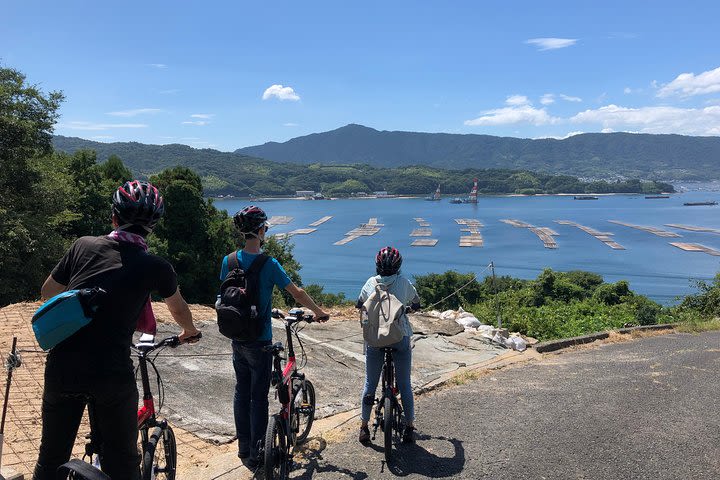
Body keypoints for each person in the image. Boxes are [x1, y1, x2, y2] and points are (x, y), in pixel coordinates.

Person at [33, 180, 201, 480]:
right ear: (153, 227)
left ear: (114, 218)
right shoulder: (156, 266)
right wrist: (189, 330)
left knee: (50, 460)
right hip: (110, 373)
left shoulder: (83, 244)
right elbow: (177, 308)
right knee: (122, 465)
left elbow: (47, 293)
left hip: (63, 366)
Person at [220, 205, 329, 469]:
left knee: (240, 392)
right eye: (265, 228)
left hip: (237, 337)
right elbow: (297, 292)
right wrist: (319, 312)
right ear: (259, 231)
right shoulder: (268, 263)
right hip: (260, 339)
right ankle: (259, 449)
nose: (265, 231)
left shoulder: (229, 260)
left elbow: (224, 296)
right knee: (257, 397)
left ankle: (244, 448)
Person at [357, 246, 420, 445]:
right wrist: (409, 307)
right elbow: (416, 302)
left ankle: (364, 427)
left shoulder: (370, 283)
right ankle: (409, 427)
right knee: (404, 385)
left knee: (370, 383)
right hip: (399, 338)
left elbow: (359, 304)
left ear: (377, 265)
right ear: (398, 266)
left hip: (375, 340)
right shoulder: (404, 282)